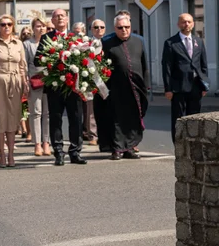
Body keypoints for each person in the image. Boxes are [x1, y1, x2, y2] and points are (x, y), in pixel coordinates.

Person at [35, 9, 86, 166]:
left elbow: (85, 59)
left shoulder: (76, 37)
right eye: (56, 16)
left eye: (62, 16)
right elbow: (37, 60)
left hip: (73, 86)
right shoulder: (46, 38)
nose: (59, 18)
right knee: (56, 119)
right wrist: (52, 62)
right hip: (55, 87)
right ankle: (58, 152)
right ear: (53, 20)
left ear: (67, 19)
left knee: (76, 119)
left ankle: (75, 151)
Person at [97, 11, 149, 160]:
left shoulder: (138, 42)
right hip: (115, 88)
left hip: (136, 87)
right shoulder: (107, 43)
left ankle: (130, 147)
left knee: (133, 119)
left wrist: (147, 84)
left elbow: (144, 64)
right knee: (117, 120)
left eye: (126, 27)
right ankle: (117, 148)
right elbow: (101, 67)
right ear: (115, 28)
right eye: (120, 28)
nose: (124, 30)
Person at [0, 14, 27, 167]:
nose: (6, 27)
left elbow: (22, 67)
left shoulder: (19, 44)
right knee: (1, 118)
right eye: (3, 25)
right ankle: (2, 154)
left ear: (13, 26)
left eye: (9, 24)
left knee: (13, 118)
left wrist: (25, 84)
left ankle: (11, 155)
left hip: (15, 82)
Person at [162, 13, 210, 142]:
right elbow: (166, 67)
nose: (186, 24)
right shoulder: (171, 43)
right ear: (178, 24)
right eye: (183, 22)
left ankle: (193, 143)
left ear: (193, 24)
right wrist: (168, 89)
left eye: (189, 22)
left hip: (195, 86)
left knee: (194, 117)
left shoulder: (198, 42)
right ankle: (178, 144)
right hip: (178, 87)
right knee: (179, 118)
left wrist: (205, 83)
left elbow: (203, 64)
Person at [22, 18, 51, 157]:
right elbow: (25, 65)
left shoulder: (50, 42)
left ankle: (46, 142)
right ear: (33, 28)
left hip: (50, 81)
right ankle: (37, 144)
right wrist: (26, 81)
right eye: (38, 26)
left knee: (47, 113)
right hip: (34, 81)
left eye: (43, 26)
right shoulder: (27, 44)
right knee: (36, 113)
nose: (41, 29)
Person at [83, 19, 106, 143]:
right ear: (92, 30)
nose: (99, 29)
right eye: (96, 27)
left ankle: (105, 134)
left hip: (105, 79)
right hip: (91, 78)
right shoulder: (87, 43)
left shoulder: (108, 42)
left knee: (106, 107)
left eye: (102, 27)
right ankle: (93, 135)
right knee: (91, 109)